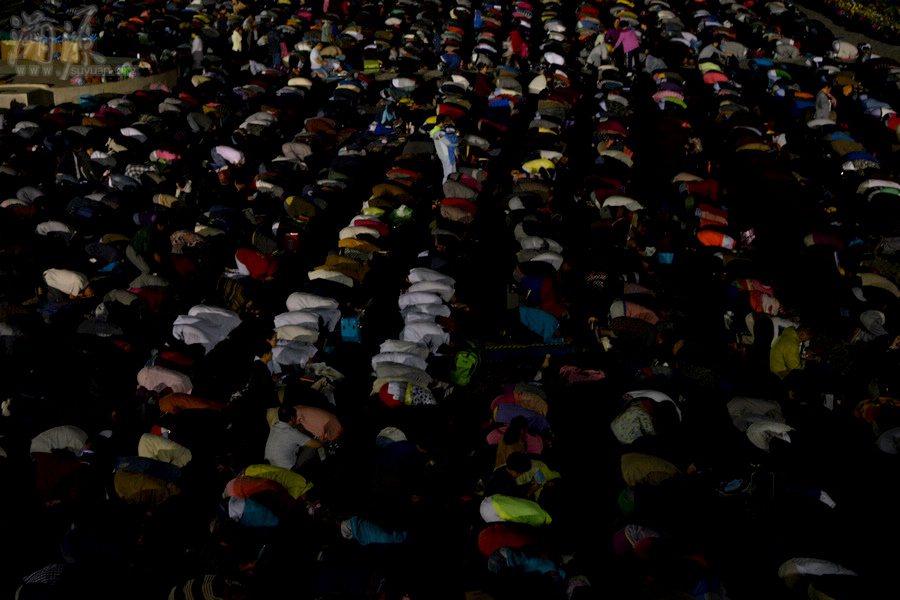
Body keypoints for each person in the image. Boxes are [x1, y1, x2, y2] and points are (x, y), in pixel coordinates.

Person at [264, 404, 322, 471]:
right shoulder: (292, 433)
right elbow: (317, 444)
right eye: (296, 416)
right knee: (312, 448)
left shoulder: (274, 427)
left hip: (271, 469)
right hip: (288, 471)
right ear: (292, 418)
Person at [430, 116, 459, 184]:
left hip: (442, 155)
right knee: (449, 174)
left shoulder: (435, 132)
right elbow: (448, 143)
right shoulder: (439, 133)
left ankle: (446, 187)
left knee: (446, 173)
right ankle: (448, 187)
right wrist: (456, 144)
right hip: (447, 155)